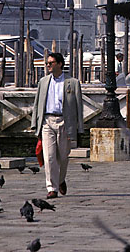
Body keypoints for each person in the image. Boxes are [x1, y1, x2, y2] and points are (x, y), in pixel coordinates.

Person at [31, 52, 83, 199]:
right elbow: (37, 104)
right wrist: (35, 124)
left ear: (59, 64)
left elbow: (79, 106)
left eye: (51, 63)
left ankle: (60, 180)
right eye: (47, 63)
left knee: (64, 156)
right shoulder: (43, 81)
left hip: (64, 122)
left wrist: (79, 127)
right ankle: (52, 188)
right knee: (49, 157)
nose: (48, 65)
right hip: (47, 121)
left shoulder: (72, 82)